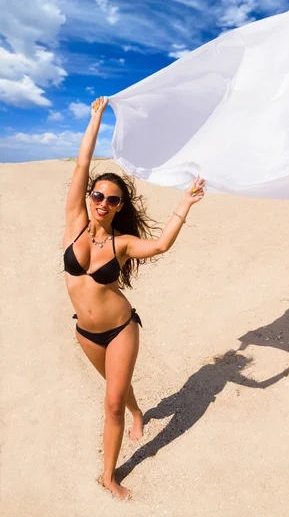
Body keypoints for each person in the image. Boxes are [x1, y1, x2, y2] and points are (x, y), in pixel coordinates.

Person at [63, 96, 205, 500]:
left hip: (121, 329)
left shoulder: (122, 242)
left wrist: (184, 204)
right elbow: (81, 165)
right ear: (89, 196)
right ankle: (138, 410)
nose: (103, 203)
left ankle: (109, 477)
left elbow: (160, 246)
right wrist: (95, 119)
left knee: (110, 404)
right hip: (86, 333)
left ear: (120, 206)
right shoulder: (74, 220)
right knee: (116, 386)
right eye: (98, 195)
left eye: (112, 199)